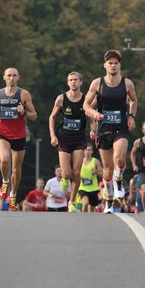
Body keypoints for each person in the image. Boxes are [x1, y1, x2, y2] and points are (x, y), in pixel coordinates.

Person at [83, 50, 137, 214]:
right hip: (104, 129)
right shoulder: (97, 84)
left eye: (116, 63)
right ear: (105, 65)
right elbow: (86, 106)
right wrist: (95, 114)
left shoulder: (127, 83)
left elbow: (134, 100)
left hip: (121, 127)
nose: (113, 65)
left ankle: (119, 180)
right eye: (110, 63)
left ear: (119, 65)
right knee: (107, 169)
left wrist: (131, 116)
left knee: (119, 158)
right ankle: (108, 200)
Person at [0, 67, 38, 211]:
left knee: (17, 169)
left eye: (14, 75)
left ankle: (13, 196)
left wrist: (24, 112)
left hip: (19, 135)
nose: (11, 78)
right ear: (4, 77)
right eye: (9, 75)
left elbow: (34, 115)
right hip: (1, 132)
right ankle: (5, 182)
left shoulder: (24, 94)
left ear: (18, 78)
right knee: (4, 159)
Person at [49, 71, 91, 213]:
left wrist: (93, 130)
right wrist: (52, 136)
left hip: (79, 139)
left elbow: (91, 116)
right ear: (68, 82)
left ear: (81, 82)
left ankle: (72, 201)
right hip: (63, 139)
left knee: (76, 172)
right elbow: (51, 117)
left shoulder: (86, 100)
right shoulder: (61, 99)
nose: (73, 82)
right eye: (70, 80)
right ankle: (65, 180)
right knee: (66, 174)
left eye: (75, 80)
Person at [79, 143, 103, 212]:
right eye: (86, 150)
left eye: (89, 150)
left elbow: (102, 173)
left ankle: (89, 220)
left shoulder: (95, 161)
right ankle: (83, 218)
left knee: (91, 208)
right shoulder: (80, 161)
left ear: (92, 151)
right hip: (82, 187)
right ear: (84, 151)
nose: (87, 152)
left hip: (93, 188)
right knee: (85, 203)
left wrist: (96, 172)